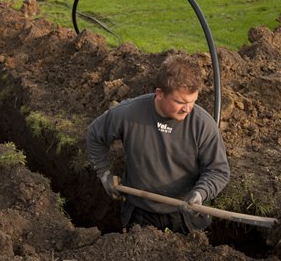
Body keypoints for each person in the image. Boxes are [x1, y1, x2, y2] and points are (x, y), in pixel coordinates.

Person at [86, 53, 230, 234]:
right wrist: (104, 175)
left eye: (193, 101)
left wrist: (200, 193)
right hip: (140, 212)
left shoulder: (203, 125)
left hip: (183, 214)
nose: (187, 108)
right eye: (180, 102)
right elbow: (94, 135)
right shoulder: (128, 114)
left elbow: (218, 171)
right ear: (160, 94)